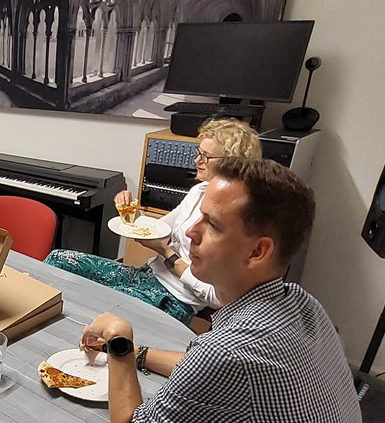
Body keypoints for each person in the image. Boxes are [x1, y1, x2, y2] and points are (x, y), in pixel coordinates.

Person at [81, 158, 362, 423]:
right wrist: (140, 356)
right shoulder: (304, 304)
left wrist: (120, 343)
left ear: (258, 250)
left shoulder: (229, 353)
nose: (189, 232)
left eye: (211, 225)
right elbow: (218, 372)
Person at [46, 118, 262, 325]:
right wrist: (130, 212)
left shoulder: (234, 217)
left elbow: (215, 297)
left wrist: (168, 254)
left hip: (175, 300)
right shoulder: (198, 191)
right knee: (58, 259)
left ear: (231, 164)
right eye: (199, 153)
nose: (197, 161)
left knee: (96, 309)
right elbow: (158, 230)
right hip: (145, 274)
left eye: (206, 157)